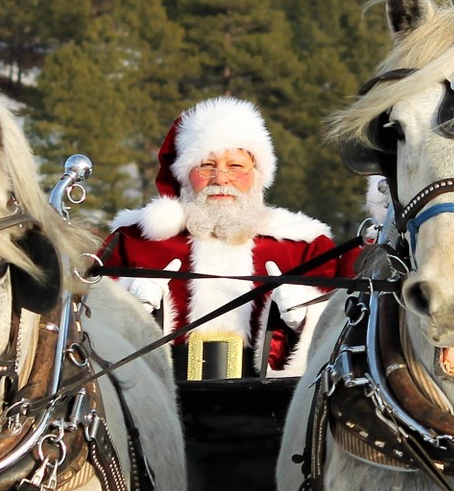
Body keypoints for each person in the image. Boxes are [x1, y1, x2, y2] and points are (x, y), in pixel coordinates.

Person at [105, 96, 355, 379]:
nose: (221, 179)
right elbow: (85, 320)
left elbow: (351, 327)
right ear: (185, 176)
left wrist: (308, 316)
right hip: (157, 401)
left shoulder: (304, 247)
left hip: (271, 408)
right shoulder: (135, 241)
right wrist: (126, 301)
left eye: (235, 166)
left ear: (258, 174)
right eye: (206, 165)